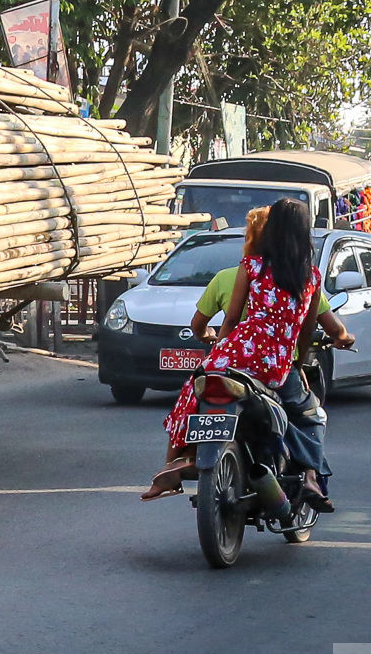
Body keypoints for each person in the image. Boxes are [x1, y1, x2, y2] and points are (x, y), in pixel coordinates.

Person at [143, 198, 354, 506]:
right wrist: (296, 361)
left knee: (195, 389)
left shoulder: (251, 266)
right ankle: (310, 476)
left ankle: (171, 462)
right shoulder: (310, 278)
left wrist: (220, 356)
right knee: (308, 414)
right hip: (276, 365)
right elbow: (305, 332)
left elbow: (230, 318)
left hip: (237, 352)